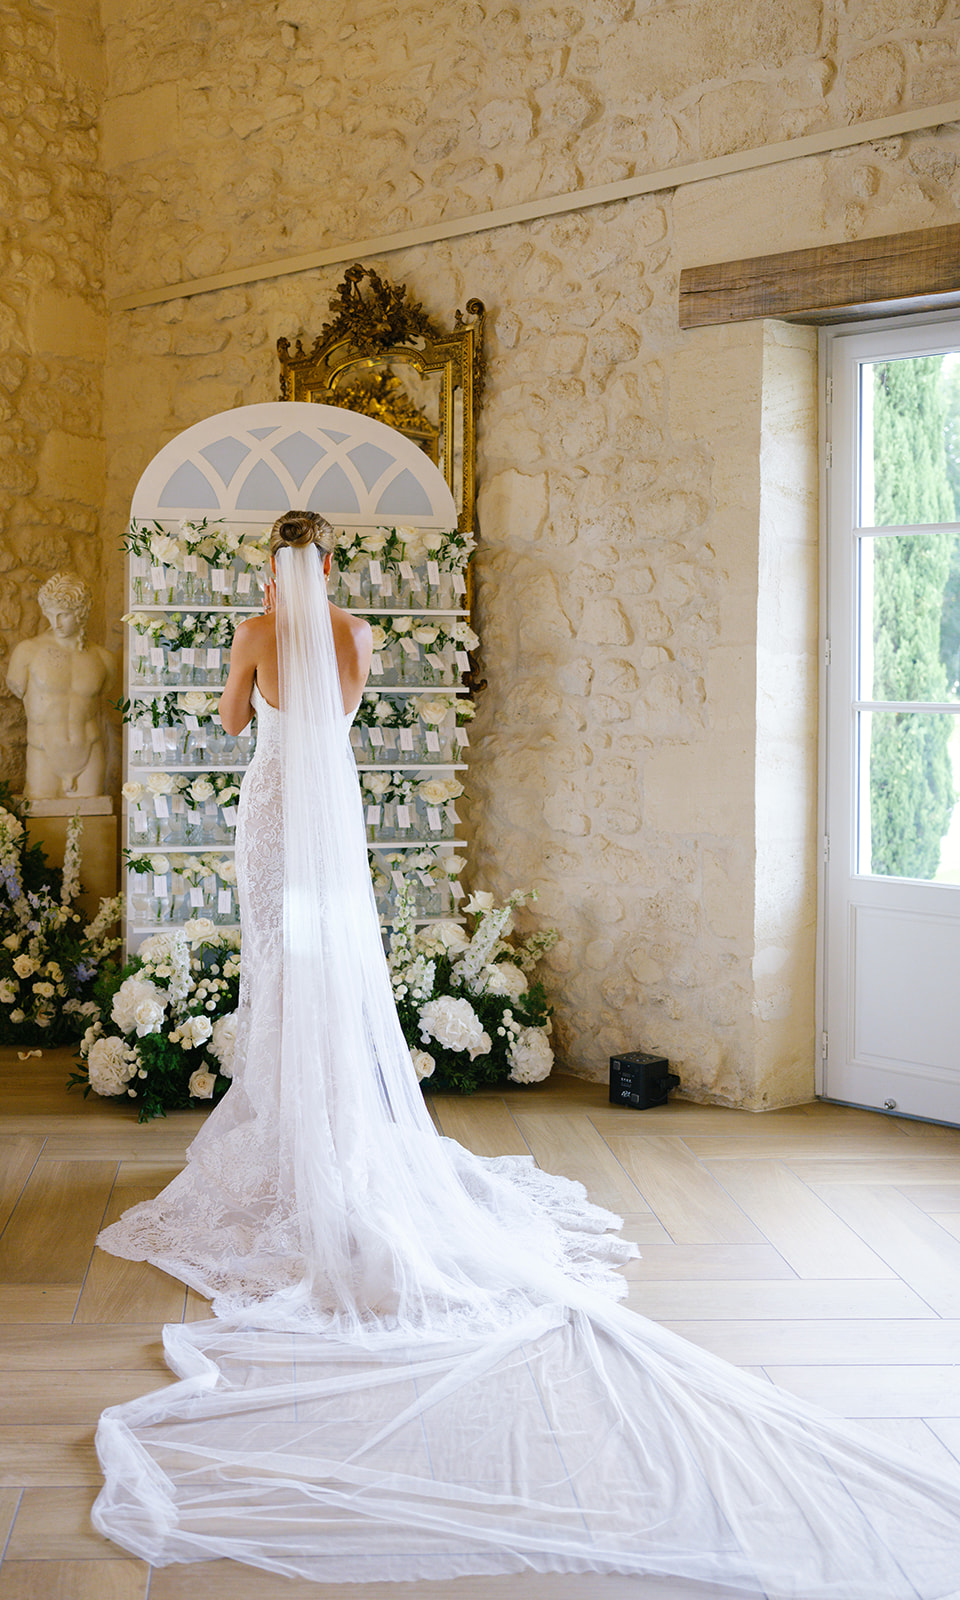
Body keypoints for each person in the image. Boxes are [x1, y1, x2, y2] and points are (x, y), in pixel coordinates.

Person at [93, 512, 960, 1593]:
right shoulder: (358, 634)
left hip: (273, 816)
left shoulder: (256, 633)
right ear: (333, 569)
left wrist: (254, 680)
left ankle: (283, 1129)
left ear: (274, 568)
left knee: (280, 970)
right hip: (336, 818)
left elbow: (237, 726)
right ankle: (334, 1128)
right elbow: (347, 723)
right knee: (324, 976)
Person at [7, 571, 115, 801]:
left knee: (94, 827)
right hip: (43, 753)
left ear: (81, 613)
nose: (55, 623)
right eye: (50, 614)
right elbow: (16, 684)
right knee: (43, 828)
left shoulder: (103, 659)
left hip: (90, 755)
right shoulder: (28, 652)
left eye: (64, 615)